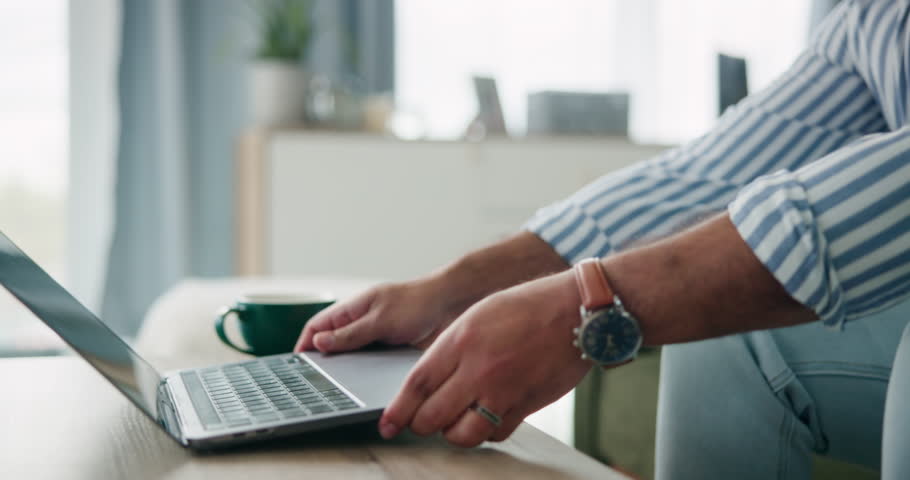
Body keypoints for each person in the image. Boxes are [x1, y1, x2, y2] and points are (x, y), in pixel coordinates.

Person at [295, 1, 910, 478]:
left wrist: (589, 302)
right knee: (729, 340)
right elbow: (708, 172)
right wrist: (454, 289)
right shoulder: (872, 18)